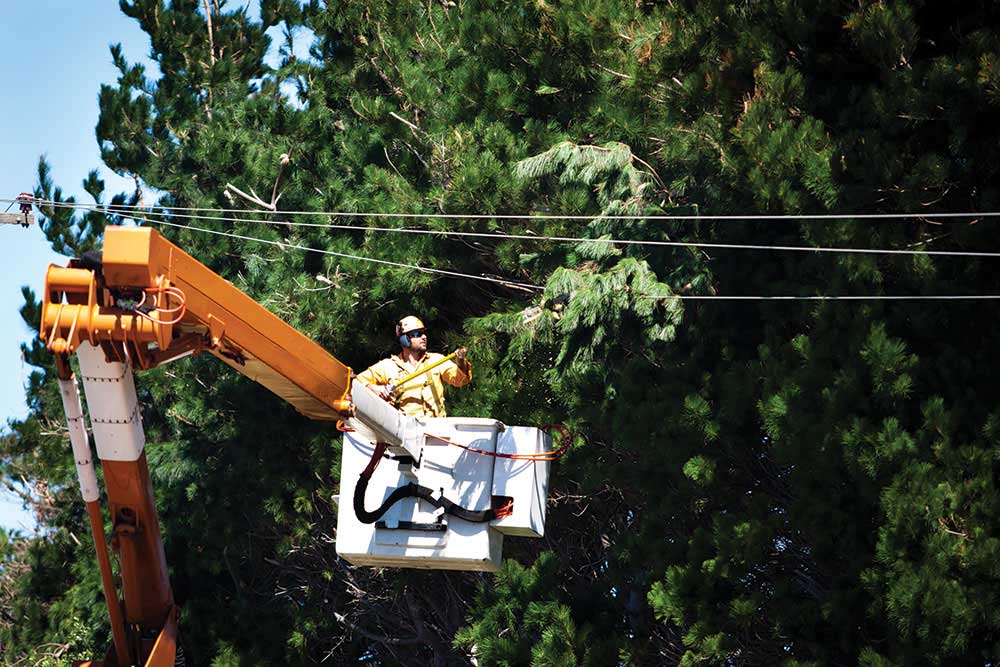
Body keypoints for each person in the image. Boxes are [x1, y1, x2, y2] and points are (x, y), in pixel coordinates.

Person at [358, 315, 471, 418]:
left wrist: (460, 361)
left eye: (424, 333)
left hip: (435, 430)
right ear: (404, 339)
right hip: (403, 433)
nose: (424, 337)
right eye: (417, 334)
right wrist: (373, 387)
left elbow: (461, 380)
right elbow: (356, 381)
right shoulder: (388, 366)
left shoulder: (436, 360)